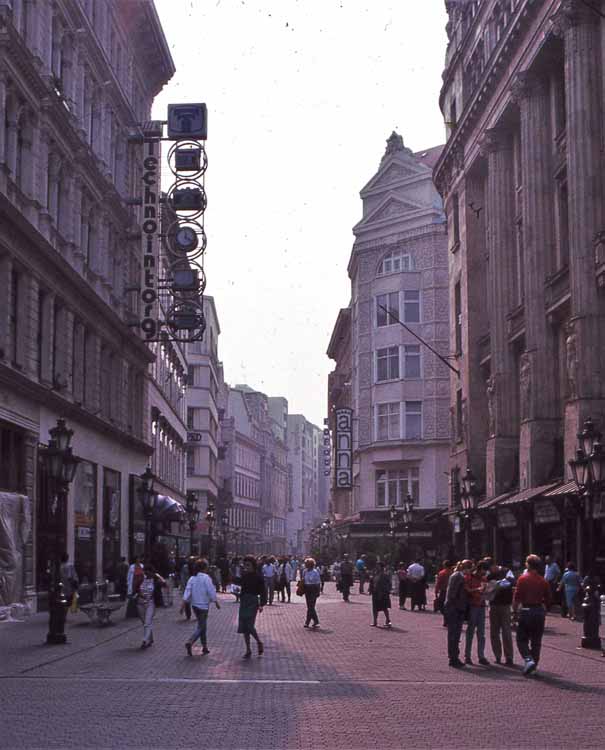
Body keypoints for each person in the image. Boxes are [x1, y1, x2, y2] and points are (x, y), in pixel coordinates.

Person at [513, 554, 551, 676]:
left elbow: (516, 598)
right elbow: (549, 598)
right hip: (539, 611)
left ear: (528, 564)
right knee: (536, 641)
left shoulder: (522, 579)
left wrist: (514, 611)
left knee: (521, 638)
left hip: (526, 610)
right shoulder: (543, 581)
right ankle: (534, 666)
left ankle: (528, 659)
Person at [183, 559, 220, 656]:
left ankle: (205, 647)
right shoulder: (206, 578)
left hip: (195, 605)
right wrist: (215, 601)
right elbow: (211, 590)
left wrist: (183, 603)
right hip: (203, 605)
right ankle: (190, 641)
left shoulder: (192, 578)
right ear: (205, 568)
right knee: (202, 627)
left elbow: (187, 591)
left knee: (202, 626)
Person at [444, 560, 472, 668]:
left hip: (454, 608)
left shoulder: (456, 575)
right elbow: (452, 594)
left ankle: (454, 656)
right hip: (454, 609)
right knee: (454, 634)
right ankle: (453, 657)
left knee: (455, 634)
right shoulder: (458, 577)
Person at [238, 556, 266, 658]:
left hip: (253, 601)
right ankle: (248, 649)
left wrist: (262, 604)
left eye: (248, 565)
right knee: (244, 627)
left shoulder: (258, 577)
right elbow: (240, 586)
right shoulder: (244, 576)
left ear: (253, 566)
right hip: (244, 601)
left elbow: (262, 591)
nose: (246, 567)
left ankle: (258, 641)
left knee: (249, 624)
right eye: (245, 565)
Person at [486, 563, 514, 666]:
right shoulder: (489, 573)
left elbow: (510, 582)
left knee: (506, 632)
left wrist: (494, 585)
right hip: (493, 605)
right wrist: (497, 584)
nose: (489, 571)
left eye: (490, 568)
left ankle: (509, 657)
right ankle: (497, 656)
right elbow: (486, 586)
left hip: (505, 605)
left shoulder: (507, 571)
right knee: (494, 632)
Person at [464, 560, 490, 665]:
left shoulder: (483, 579)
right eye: (484, 570)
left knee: (481, 633)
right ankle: (468, 656)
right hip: (472, 606)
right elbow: (466, 590)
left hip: (481, 606)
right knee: (470, 631)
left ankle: (481, 655)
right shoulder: (469, 577)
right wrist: (477, 590)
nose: (485, 573)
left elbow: (485, 591)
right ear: (480, 569)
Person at [134, 564, 165, 649]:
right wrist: (139, 593)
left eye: (149, 573)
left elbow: (164, 583)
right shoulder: (141, 579)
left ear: (152, 572)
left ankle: (144, 640)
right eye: (145, 572)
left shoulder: (155, 580)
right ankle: (150, 639)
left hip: (150, 603)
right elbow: (136, 589)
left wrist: (158, 575)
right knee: (145, 623)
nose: (147, 574)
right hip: (140, 603)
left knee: (147, 622)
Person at [302, 557, 322, 628]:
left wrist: (318, 591)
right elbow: (303, 580)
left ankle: (307, 622)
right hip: (307, 589)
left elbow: (318, 582)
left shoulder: (315, 572)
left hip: (313, 589)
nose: (305, 565)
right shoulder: (304, 571)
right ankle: (316, 621)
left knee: (311, 606)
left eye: (307, 564)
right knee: (309, 606)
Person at [371, 562, 392, 627]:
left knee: (384, 608)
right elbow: (372, 583)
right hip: (375, 593)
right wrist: (371, 588)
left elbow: (389, 584)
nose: (377, 567)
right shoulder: (375, 574)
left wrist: (386, 591)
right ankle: (375, 621)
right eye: (376, 566)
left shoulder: (385, 575)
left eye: (378, 566)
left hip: (383, 593)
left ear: (382, 567)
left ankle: (388, 620)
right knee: (374, 608)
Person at [434, 560, 453, 625]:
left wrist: (436, 591)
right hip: (452, 591)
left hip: (444, 591)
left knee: (442, 606)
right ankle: (447, 619)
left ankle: (447, 619)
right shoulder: (453, 572)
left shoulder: (442, 573)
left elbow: (438, 583)